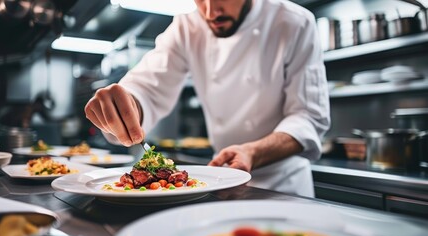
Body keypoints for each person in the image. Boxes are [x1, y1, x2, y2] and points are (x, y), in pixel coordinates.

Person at [84, 0, 330, 197]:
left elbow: (308, 118)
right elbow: (148, 87)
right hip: (223, 182)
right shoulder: (187, 27)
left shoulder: (293, 22)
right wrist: (125, 106)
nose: (211, 10)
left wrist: (253, 152)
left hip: (282, 187)